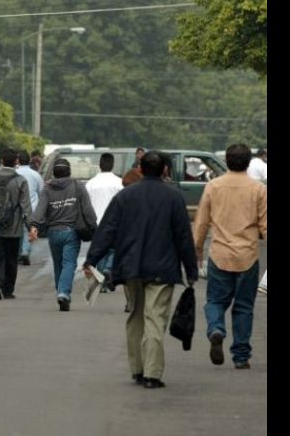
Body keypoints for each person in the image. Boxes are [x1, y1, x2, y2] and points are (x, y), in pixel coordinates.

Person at [83, 151, 198, 389]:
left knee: (135, 316)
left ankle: (137, 369)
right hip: (163, 268)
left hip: (132, 266)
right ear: (165, 170)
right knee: (155, 318)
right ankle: (152, 373)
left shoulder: (126, 196)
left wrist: (92, 259)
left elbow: (107, 230)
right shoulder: (174, 198)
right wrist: (191, 269)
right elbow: (184, 237)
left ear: (141, 170)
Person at [193, 144, 267, 369]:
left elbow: (202, 222)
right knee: (244, 307)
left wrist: (196, 251)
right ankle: (241, 357)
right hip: (248, 256)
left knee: (215, 300)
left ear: (226, 161)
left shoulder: (213, 186)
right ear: (248, 162)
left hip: (219, 254)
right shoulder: (259, 189)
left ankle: (216, 328)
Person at [29, 158, 97, 311]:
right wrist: (94, 227)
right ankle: (64, 293)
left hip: (53, 233)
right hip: (71, 232)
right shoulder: (78, 186)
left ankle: (61, 291)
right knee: (69, 264)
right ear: (69, 172)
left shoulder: (47, 189)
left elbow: (40, 209)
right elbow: (88, 210)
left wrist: (34, 225)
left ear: (54, 173)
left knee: (59, 264)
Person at [0, 149, 32, 300]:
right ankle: (7, 290)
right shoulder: (20, 181)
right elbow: (25, 206)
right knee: (11, 258)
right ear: (16, 162)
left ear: (1, 160)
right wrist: (30, 226)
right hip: (14, 227)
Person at [85, 153, 123, 292]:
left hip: (96, 223)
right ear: (112, 165)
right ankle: (108, 269)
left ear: (99, 165)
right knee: (114, 250)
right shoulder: (119, 183)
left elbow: (86, 205)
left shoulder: (91, 184)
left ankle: (101, 283)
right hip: (115, 222)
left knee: (100, 251)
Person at [16, 150, 43, 266]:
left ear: (18, 161)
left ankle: (19, 252)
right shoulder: (35, 175)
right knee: (28, 229)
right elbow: (41, 191)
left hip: (17, 206)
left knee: (18, 230)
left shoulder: (15, 173)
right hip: (32, 207)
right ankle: (25, 252)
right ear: (29, 161)